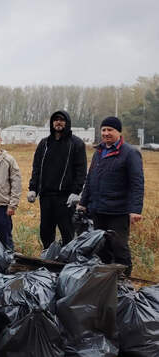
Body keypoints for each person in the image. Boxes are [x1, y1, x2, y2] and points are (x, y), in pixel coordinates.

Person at [78, 116, 144, 276]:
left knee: (119, 247)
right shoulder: (99, 152)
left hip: (118, 211)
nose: (106, 133)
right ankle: (106, 280)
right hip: (98, 209)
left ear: (118, 132)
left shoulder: (130, 153)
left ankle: (125, 282)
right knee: (101, 247)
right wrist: (83, 202)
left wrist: (135, 209)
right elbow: (90, 178)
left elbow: (137, 183)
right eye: (104, 130)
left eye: (110, 130)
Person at [28, 110, 87, 250]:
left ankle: (67, 261)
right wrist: (33, 188)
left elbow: (81, 170)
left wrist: (76, 192)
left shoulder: (76, 144)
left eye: (61, 120)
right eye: (56, 120)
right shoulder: (44, 144)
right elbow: (36, 168)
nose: (58, 122)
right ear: (52, 123)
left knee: (67, 232)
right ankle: (48, 259)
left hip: (66, 198)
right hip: (46, 196)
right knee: (46, 232)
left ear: (67, 123)